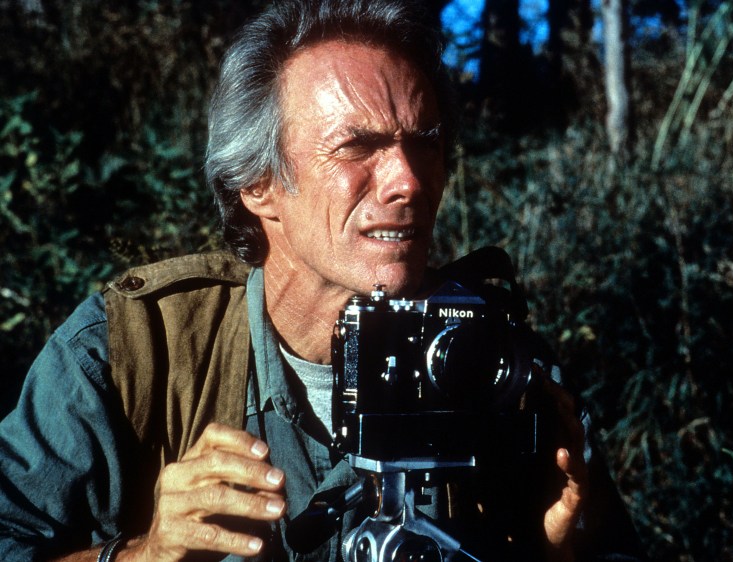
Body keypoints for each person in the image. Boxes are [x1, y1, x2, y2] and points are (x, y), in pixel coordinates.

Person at [0, 1, 645, 560]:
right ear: (258, 184)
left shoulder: (492, 361)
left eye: (424, 143)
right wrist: (144, 555)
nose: (411, 182)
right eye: (356, 146)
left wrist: (558, 552)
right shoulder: (133, 352)